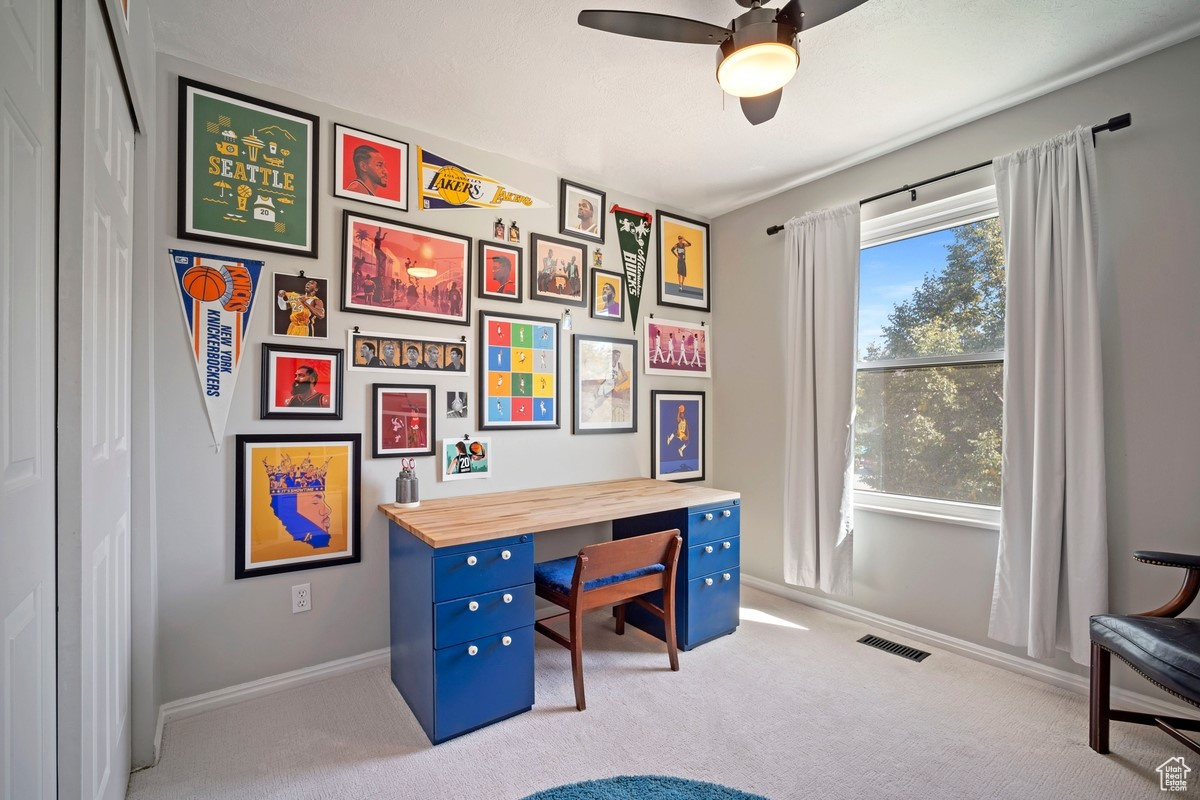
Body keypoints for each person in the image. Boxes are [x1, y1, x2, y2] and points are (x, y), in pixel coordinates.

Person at [590, 349, 629, 417]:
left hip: (611, 385)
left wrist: (619, 382)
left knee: (602, 399)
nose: (618, 357)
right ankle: (591, 406)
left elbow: (625, 376)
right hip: (604, 383)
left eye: (619, 356)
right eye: (616, 355)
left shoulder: (619, 365)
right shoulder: (607, 362)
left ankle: (591, 410)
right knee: (597, 397)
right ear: (612, 355)